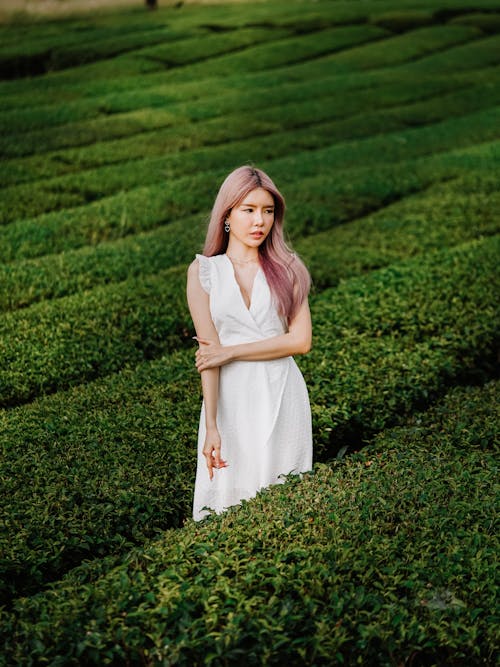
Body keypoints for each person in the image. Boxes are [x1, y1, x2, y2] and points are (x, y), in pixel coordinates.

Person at [186, 166, 313, 521]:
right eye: (249, 210)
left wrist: (232, 351)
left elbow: (300, 341)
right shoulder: (204, 272)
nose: (260, 221)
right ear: (227, 215)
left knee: (283, 496)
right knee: (226, 498)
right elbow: (209, 355)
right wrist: (212, 425)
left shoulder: (288, 268)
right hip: (231, 398)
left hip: (281, 391)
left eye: (268, 211)